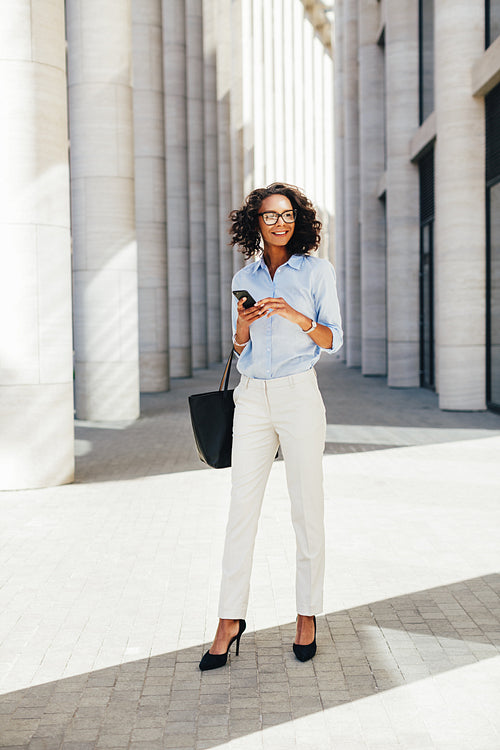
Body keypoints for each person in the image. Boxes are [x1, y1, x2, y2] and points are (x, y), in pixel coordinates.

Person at [199, 183, 343, 671]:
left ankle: (307, 615)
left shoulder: (318, 270)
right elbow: (240, 350)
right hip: (251, 397)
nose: (279, 223)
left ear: (298, 220)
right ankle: (228, 619)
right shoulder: (245, 275)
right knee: (242, 510)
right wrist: (243, 329)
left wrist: (295, 316)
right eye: (269, 216)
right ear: (255, 222)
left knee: (307, 509)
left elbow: (332, 338)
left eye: (287, 215)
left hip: (299, 393)